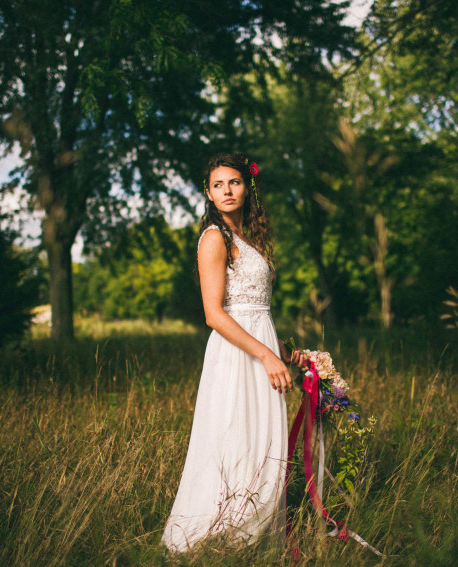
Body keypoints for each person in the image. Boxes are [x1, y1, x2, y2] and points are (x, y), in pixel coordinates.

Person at [161, 153, 306, 553]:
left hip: (258, 345)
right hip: (234, 354)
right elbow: (214, 314)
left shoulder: (249, 237)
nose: (227, 190)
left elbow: (255, 309)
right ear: (208, 192)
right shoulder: (214, 237)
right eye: (218, 185)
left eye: (235, 182)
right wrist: (265, 355)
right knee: (233, 438)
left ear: (248, 187)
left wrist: (282, 351)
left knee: (261, 441)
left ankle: (252, 539)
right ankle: (212, 536)